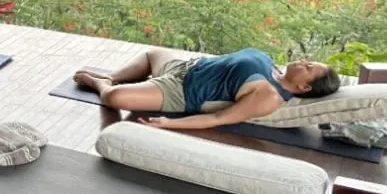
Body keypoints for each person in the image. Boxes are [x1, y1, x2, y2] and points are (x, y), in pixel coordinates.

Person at [73, 47, 341, 131]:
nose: (304, 62)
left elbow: (219, 118)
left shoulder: (268, 97)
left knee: (114, 98)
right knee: (152, 54)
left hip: (180, 91)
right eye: (309, 61)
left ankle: (102, 84)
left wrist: (169, 124)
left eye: (309, 68)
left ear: (304, 86)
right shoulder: (275, 69)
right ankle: (113, 76)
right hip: (187, 67)